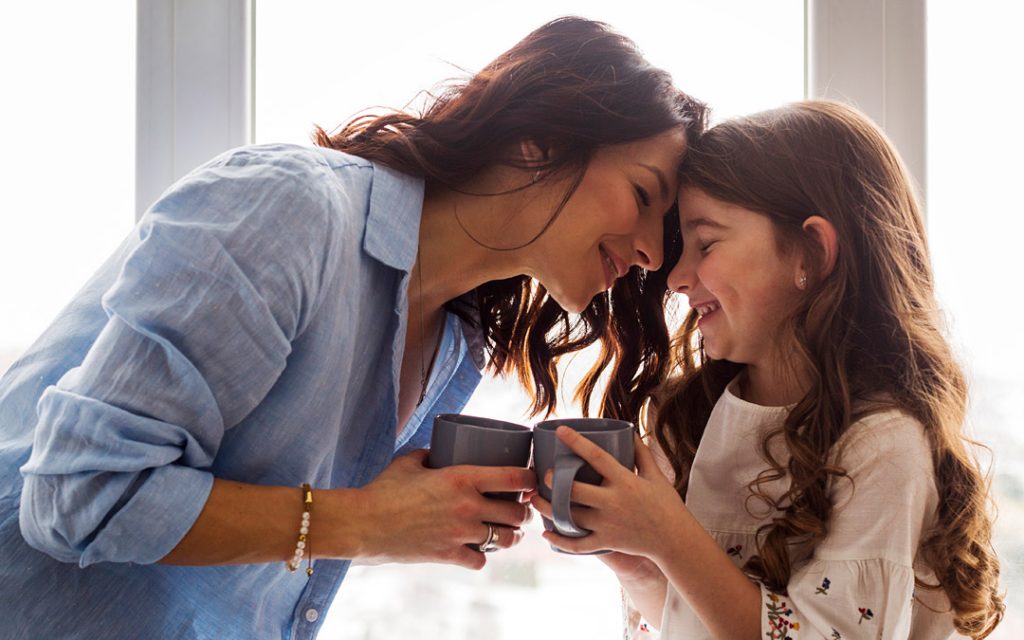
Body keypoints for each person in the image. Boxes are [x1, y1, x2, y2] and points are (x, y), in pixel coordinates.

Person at [0, 17, 707, 639]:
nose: (649, 251)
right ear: (539, 141)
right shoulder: (291, 210)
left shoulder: (457, 346)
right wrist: (366, 524)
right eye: (643, 194)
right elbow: (77, 496)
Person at [531, 100, 1004, 639]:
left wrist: (668, 536)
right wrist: (638, 562)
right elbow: (700, 621)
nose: (676, 276)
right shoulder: (694, 420)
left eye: (705, 243)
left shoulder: (882, 446)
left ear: (812, 252)